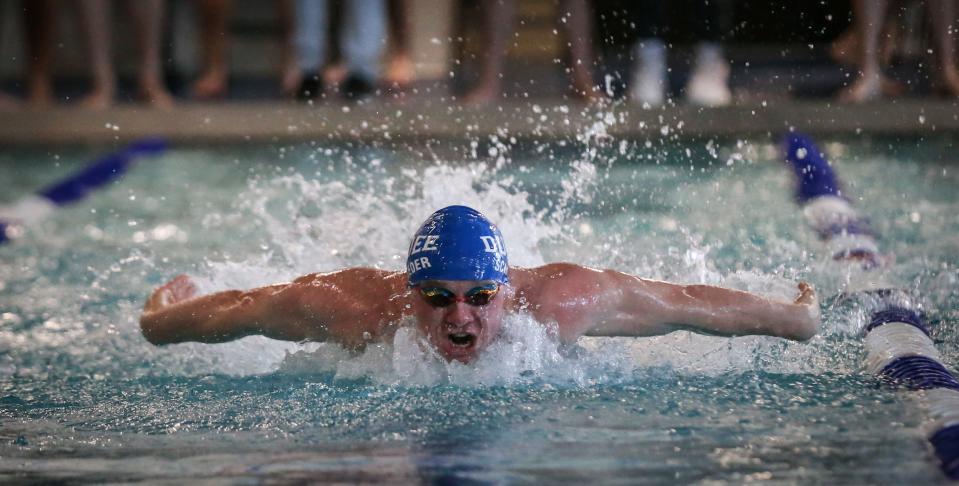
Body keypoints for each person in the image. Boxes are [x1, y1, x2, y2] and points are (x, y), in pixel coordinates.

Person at [140, 205, 820, 363]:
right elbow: (242, 309)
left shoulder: (559, 301)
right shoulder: (353, 309)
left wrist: (792, 320)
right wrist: (160, 320)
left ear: (506, 290)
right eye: (435, 295)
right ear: (408, 292)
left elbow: (683, 304)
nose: (457, 315)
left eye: (477, 295)